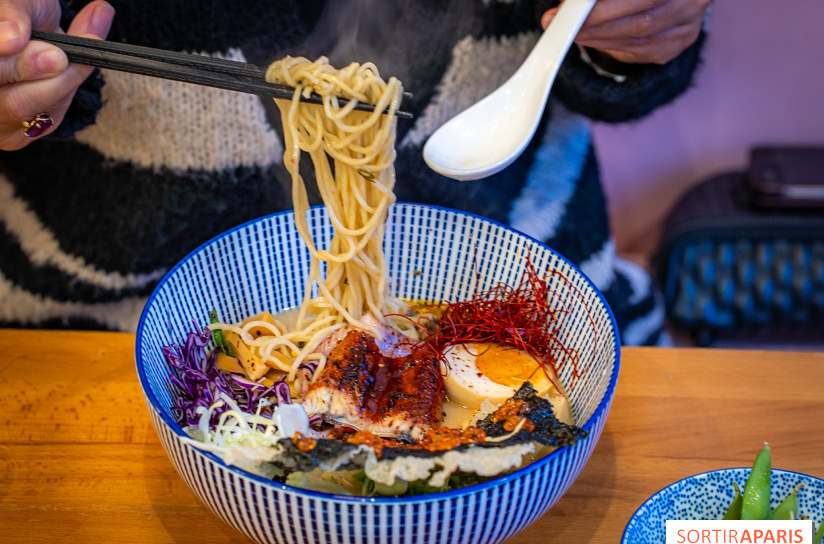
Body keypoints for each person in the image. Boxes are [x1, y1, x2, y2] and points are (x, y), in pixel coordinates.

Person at [0, 0, 709, 343]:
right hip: (96, 333)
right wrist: (21, 83)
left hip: (532, 310)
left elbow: (627, 50)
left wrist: (637, 36)